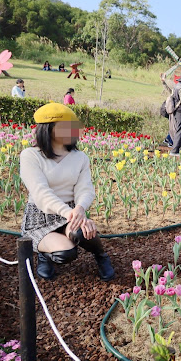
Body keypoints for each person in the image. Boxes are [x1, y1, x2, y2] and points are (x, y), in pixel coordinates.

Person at [19, 103, 115, 281]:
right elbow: (41, 193)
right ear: (48, 129)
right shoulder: (30, 156)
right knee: (65, 253)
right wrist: (71, 213)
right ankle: (44, 253)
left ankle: (101, 256)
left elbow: (85, 188)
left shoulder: (80, 158)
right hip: (40, 217)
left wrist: (80, 208)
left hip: (70, 213)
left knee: (82, 231)